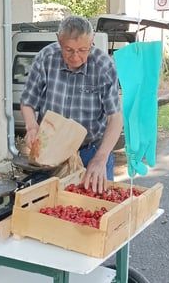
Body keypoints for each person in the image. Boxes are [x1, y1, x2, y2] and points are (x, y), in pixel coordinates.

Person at [20, 15, 123, 193]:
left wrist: (101, 158)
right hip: (49, 149)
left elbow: (115, 117)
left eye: (83, 49)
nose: (76, 56)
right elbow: (28, 101)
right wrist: (31, 126)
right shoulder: (46, 57)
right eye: (68, 49)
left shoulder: (103, 65)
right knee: (44, 208)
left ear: (92, 41)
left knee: (93, 208)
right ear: (58, 40)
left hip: (91, 150)